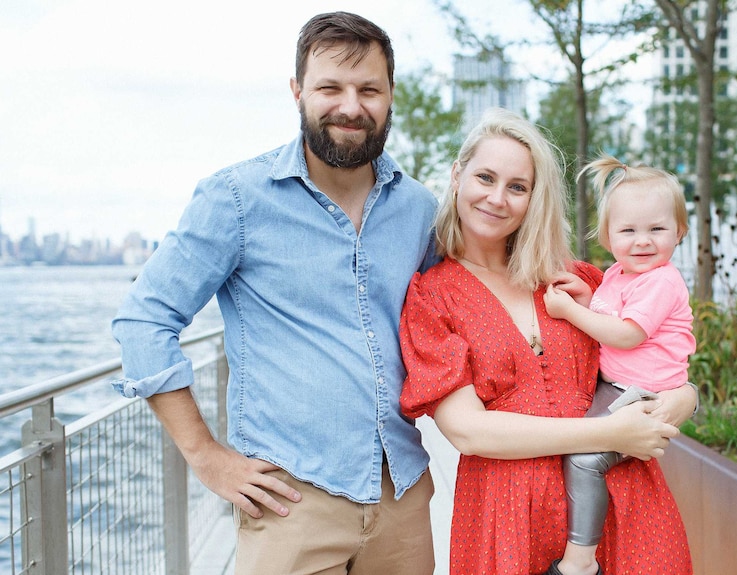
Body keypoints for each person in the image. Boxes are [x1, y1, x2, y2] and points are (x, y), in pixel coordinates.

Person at [111, 12, 438, 575]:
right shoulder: (235, 199)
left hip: (402, 496)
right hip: (290, 503)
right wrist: (206, 457)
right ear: (297, 92)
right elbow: (144, 321)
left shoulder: (420, 210)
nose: (350, 106)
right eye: (330, 88)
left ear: (390, 96)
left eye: (369, 89)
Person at [399, 108, 696, 575]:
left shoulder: (576, 279)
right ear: (458, 176)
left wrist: (685, 396)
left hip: (623, 508)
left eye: (517, 187)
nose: (497, 198)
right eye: (485, 177)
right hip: (507, 517)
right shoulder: (434, 297)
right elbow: (469, 431)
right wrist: (608, 433)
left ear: (534, 198)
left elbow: (650, 360)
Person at [542, 155, 697, 575]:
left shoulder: (661, 279)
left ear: (679, 232)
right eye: (628, 230)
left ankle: (579, 560)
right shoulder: (618, 275)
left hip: (640, 394)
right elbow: (612, 314)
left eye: (656, 229)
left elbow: (628, 334)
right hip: (619, 386)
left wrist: (569, 313)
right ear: (608, 238)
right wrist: (586, 299)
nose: (642, 241)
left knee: (584, 458)